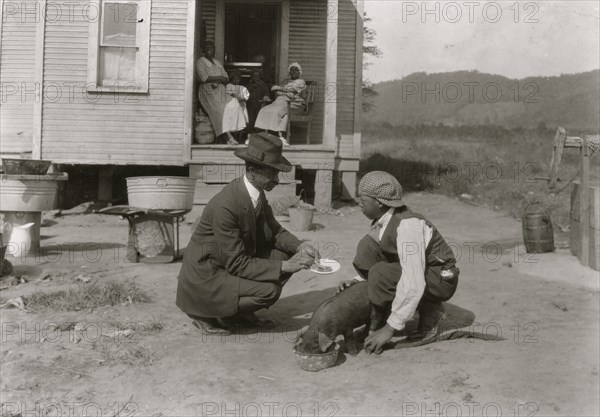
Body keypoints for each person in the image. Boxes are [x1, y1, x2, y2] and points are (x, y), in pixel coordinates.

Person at [176, 132, 320, 335]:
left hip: (227, 262)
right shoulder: (226, 205)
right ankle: (206, 313)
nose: (277, 180)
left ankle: (237, 311)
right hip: (208, 275)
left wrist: (300, 246)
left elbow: (275, 231)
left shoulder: (256, 193)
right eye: (273, 173)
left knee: (288, 254)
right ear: (252, 171)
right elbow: (237, 263)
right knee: (270, 290)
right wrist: (286, 266)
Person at [338, 171, 459, 354]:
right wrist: (358, 280)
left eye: (363, 200)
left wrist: (389, 330)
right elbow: (389, 258)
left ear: (379, 202)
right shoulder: (384, 220)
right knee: (367, 247)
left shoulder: (408, 226)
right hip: (420, 271)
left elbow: (413, 282)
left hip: (440, 279)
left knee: (380, 273)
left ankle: (431, 313)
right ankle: (381, 315)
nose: (359, 203)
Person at [196, 41, 246, 145]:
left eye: (212, 47)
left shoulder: (217, 62)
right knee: (220, 110)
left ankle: (234, 132)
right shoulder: (201, 61)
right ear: (203, 50)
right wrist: (219, 78)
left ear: (214, 50)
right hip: (208, 91)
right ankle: (228, 137)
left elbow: (226, 77)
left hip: (221, 90)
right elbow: (204, 78)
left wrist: (220, 79)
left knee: (234, 103)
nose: (210, 49)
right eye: (207, 47)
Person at [254, 63, 306, 146]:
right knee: (264, 110)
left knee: (277, 111)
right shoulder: (285, 81)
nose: (293, 71)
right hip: (280, 101)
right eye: (291, 69)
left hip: (294, 103)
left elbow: (292, 89)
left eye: (295, 70)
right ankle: (263, 134)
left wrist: (279, 88)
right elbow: (278, 92)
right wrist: (285, 92)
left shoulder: (301, 81)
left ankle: (279, 136)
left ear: (299, 72)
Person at [225, 71, 250, 142]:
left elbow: (246, 96)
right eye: (234, 79)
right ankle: (233, 136)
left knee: (242, 119)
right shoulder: (228, 85)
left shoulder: (242, 87)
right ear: (231, 79)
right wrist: (234, 95)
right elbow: (228, 93)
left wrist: (243, 98)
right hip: (231, 105)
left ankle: (239, 136)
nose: (236, 80)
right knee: (233, 120)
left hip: (241, 106)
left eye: (237, 79)